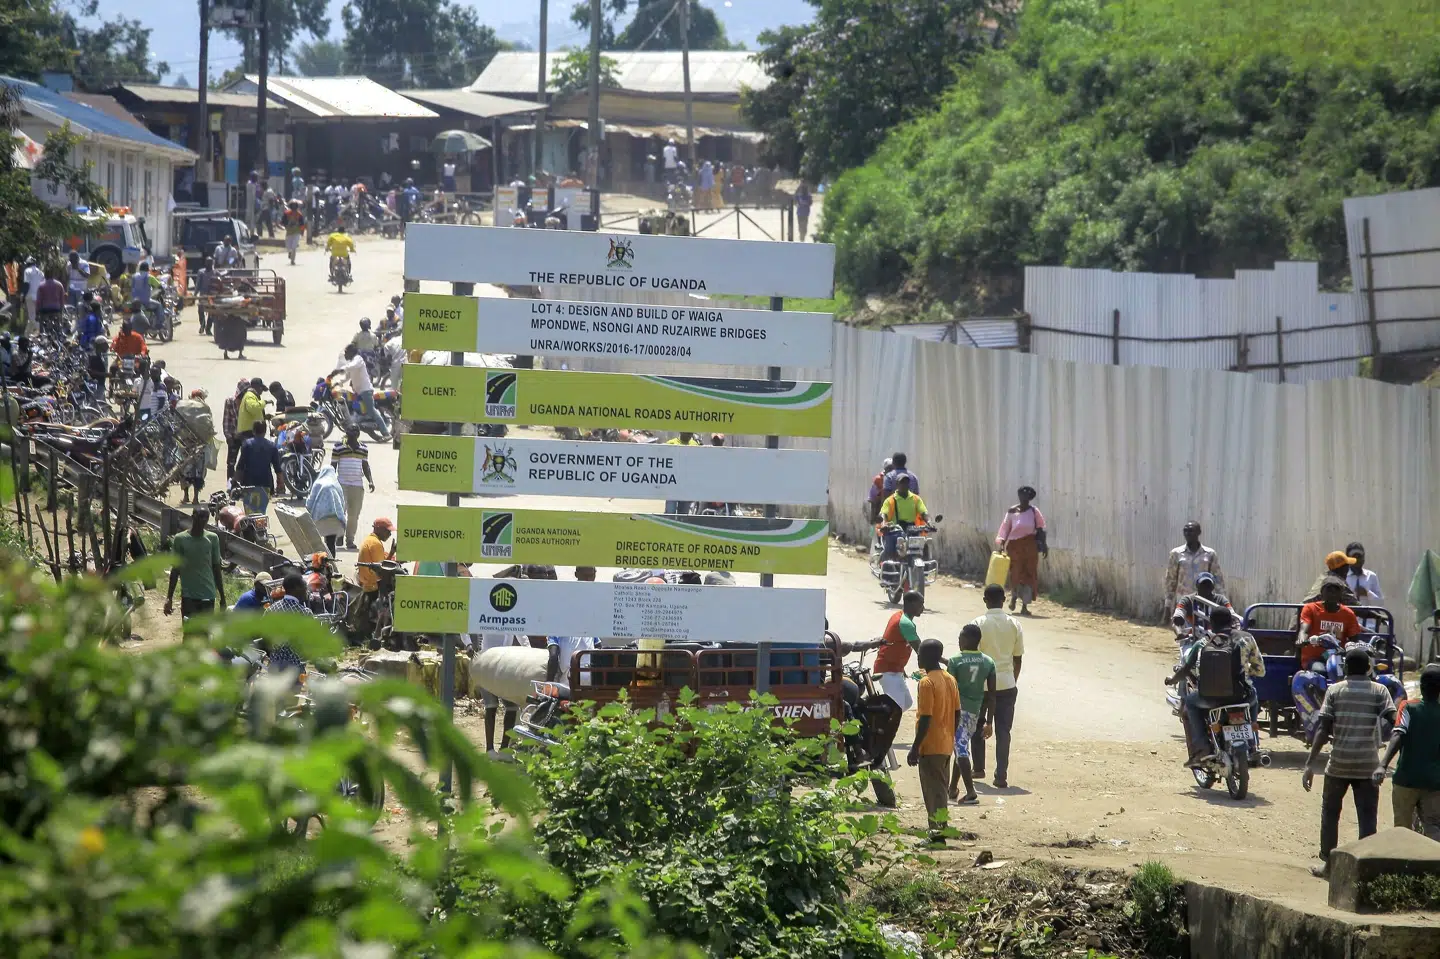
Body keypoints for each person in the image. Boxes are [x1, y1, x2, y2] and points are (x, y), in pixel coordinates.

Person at [1303, 646, 1397, 878]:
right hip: (1367, 765)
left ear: (1345, 668)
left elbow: (1323, 731)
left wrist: (1309, 763)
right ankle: (1364, 868)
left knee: (1330, 814)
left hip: (1338, 765)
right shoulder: (1379, 690)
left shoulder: (1335, 691)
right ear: (1368, 669)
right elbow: (1394, 721)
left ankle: (1328, 864)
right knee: (1367, 815)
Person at [1174, 608, 1251, 766]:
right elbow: (1260, 670)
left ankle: (1202, 748)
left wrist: (1172, 680)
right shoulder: (1246, 639)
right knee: (1253, 697)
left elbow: (1186, 669)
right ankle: (1254, 743)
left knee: (1190, 703)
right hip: (1239, 695)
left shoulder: (1202, 643)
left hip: (1209, 697)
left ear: (1211, 624)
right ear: (1231, 622)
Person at [970, 584, 1024, 787]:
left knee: (976, 726)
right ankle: (1001, 775)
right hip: (1006, 684)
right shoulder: (1014, 624)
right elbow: (1017, 659)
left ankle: (978, 768)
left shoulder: (977, 623)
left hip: (981, 685)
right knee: (1003, 731)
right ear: (1004, 600)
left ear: (985, 600)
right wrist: (1012, 680)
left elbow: (971, 656)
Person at [1379, 663, 1440, 841]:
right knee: (1433, 826)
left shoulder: (1409, 708)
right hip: (1434, 782)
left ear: (1421, 686)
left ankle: (1403, 866)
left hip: (1406, 779)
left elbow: (1398, 733)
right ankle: (1435, 864)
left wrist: (1383, 765)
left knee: (1402, 830)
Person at [908, 638, 961, 842]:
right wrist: (950, 734)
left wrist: (915, 747)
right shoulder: (950, 679)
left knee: (934, 791)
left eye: (920, 653)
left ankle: (937, 835)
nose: (918, 656)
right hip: (946, 744)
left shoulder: (926, 682)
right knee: (940, 788)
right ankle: (940, 830)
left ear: (929, 657)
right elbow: (957, 713)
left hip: (931, 745)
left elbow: (926, 718)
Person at [947, 623, 996, 805]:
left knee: (960, 749)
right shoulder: (988, 662)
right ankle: (952, 789)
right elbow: (992, 696)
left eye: (960, 637)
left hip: (957, 711)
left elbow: (949, 689)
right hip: (975, 712)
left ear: (967, 639)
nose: (958, 641)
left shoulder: (955, 661)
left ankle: (971, 792)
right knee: (960, 746)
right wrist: (989, 721)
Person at [163, 507, 224, 621]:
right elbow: (175, 570)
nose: (203, 520)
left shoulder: (212, 538)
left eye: (206, 518)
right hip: (189, 597)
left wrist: (222, 598)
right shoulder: (180, 539)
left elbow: (216, 568)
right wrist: (169, 598)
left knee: (205, 633)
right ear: (193, 517)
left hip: (208, 595)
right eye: (200, 517)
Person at [995, 485, 1047, 615]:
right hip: (1014, 547)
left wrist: (1044, 545)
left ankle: (1024, 605)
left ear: (1029, 498)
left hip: (1030, 547)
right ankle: (1013, 597)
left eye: (1026, 496)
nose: (1023, 498)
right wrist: (1001, 543)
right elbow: (1005, 528)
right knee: (1015, 573)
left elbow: (1040, 529)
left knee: (1029, 574)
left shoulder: (1034, 512)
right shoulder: (1012, 511)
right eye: (1021, 495)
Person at [1297, 578, 1363, 670]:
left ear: (1340, 595)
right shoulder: (1310, 609)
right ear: (1321, 592)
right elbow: (1304, 629)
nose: (1332, 594)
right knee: (1320, 670)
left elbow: (1354, 639)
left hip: (1339, 658)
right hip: (1315, 658)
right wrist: (1302, 639)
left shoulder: (1348, 613)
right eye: (1329, 590)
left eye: (1336, 591)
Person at [875, 591, 924, 712]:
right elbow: (922, 650)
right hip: (887, 670)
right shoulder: (905, 623)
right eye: (920, 604)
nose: (923, 608)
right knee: (896, 709)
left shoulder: (899, 616)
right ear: (910, 604)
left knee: (907, 703)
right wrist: (943, 661)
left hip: (895, 669)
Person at [1164, 521, 1223, 616]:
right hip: (1183, 602)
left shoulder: (1209, 554)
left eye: (1191, 531)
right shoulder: (1176, 554)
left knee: (1203, 629)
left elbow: (1217, 579)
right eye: (1185, 531)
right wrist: (1168, 604)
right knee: (1183, 629)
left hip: (1204, 601)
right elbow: (1171, 580)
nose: (1187, 533)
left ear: (1199, 532)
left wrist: (1221, 602)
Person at [332, 427, 374, 550]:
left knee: (353, 515)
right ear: (347, 434)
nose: (353, 434)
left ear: (358, 434)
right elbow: (333, 465)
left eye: (355, 432)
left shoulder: (363, 448)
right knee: (340, 512)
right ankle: (339, 534)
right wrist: (330, 481)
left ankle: (350, 540)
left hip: (357, 485)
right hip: (341, 484)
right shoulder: (338, 447)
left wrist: (370, 481)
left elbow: (365, 465)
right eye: (351, 432)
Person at [263, 573, 314, 676]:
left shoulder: (271, 610)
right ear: (296, 588)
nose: (306, 590)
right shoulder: (305, 613)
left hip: (274, 667)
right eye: (304, 586)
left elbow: (264, 636)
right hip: (295, 669)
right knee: (294, 692)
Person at [332, 343, 386, 438]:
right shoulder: (352, 362)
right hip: (359, 392)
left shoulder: (358, 359)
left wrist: (340, 370)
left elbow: (352, 366)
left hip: (366, 391)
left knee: (371, 411)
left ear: (352, 352)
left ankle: (386, 433)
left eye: (346, 352)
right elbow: (347, 376)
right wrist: (338, 382)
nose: (345, 355)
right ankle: (351, 432)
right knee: (355, 410)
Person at [354, 517, 396, 632]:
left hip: (368, 582)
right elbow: (382, 569)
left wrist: (392, 554)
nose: (389, 534)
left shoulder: (370, 540)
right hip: (374, 584)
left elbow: (381, 563)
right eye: (387, 531)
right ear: (379, 529)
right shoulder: (375, 544)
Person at [234, 420, 284, 514]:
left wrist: (235, 482)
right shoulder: (272, 446)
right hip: (265, 484)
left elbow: (240, 465)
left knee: (250, 513)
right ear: (265, 431)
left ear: (253, 431)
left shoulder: (247, 444)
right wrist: (280, 483)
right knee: (261, 513)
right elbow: (277, 468)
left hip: (249, 484)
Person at [878, 474, 929, 563]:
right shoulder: (890, 500)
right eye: (902, 482)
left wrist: (929, 522)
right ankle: (886, 568)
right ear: (897, 485)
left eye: (906, 482)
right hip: (895, 530)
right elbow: (883, 514)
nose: (904, 485)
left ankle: (924, 570)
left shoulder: (916, 499)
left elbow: (924, 512)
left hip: (912, 530)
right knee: (890, 548)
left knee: (924, 546)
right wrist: (884, 523)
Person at [1172, 571, 1234, 640]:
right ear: (1197, 586)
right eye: (1202, 585)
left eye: (1208, 585)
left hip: (1217, 637)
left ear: (1213, 587)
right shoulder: (1187, 600)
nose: (1205, 588)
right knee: (1176, 621)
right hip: (1193, 637)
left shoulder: (1220, 599)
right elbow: (1177, 616)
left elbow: (1232, 614)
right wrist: (1180, 634)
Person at [179, 389, 212, 504]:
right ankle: (196, 498)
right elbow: (209, 426)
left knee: (184, 470)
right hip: (200, 444)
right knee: (198, 471)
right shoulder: (204, 408)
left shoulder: (183, 406)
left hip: (185, 443)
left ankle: (185, 496)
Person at [306, 464, 347, 556]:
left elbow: (309, 503)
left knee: (316, 544)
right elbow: (342, 502)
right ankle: (331, 564)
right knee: (330, 543)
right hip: (335, 518)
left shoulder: (317, 483)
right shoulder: (336, 484)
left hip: (319, 517)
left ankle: (318, 563)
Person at [662, 432, 701, 514]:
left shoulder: (695, 445)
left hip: (687, 486)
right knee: (670, 511)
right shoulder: (671, 443)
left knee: (683, 513)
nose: (688, 435)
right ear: (680, 432)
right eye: (686, 433)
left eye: (690, 433)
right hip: (672, 485)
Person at [36, 270, 65, 334]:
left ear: (45, 275)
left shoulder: (41, 285)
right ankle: (58, 335)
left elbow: (39, 300)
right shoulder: (59, 285)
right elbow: (62, 299)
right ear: (53, 276)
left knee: (42, 325)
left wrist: (37, 313)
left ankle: (42, 335)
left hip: (45, 309)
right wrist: (61, 311)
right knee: (57, 325)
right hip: (56, 309)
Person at [21, 257, 43, 333]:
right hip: (39, 296)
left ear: (28, 264)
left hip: (30, 296)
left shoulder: (27, 271)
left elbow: (26, 284)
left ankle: (41, 329)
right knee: (32, 318)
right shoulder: (40, 272)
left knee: (32, 317)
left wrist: (23, 296)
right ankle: (26, 335)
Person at [868, 458, 893, 525]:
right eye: (890, 468)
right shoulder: (878, 479)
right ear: (885, 469)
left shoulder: (895, 478)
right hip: (881, 510)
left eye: (893, 468)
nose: (892, 470)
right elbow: (873, 498)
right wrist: (873, 516)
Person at [281, 199, 306, 265]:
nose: (294, 207)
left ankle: (292, 260)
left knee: (294, 247)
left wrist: (302, 232)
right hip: (289, 232)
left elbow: (302, 224)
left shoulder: (299, 214)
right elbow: (283, 222)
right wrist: (287, 225)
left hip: (296, 232)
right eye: (293, 206)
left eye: (295, 206)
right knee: (288, 246)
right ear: (290, 206)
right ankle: (290, 252)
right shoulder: (286, 213)